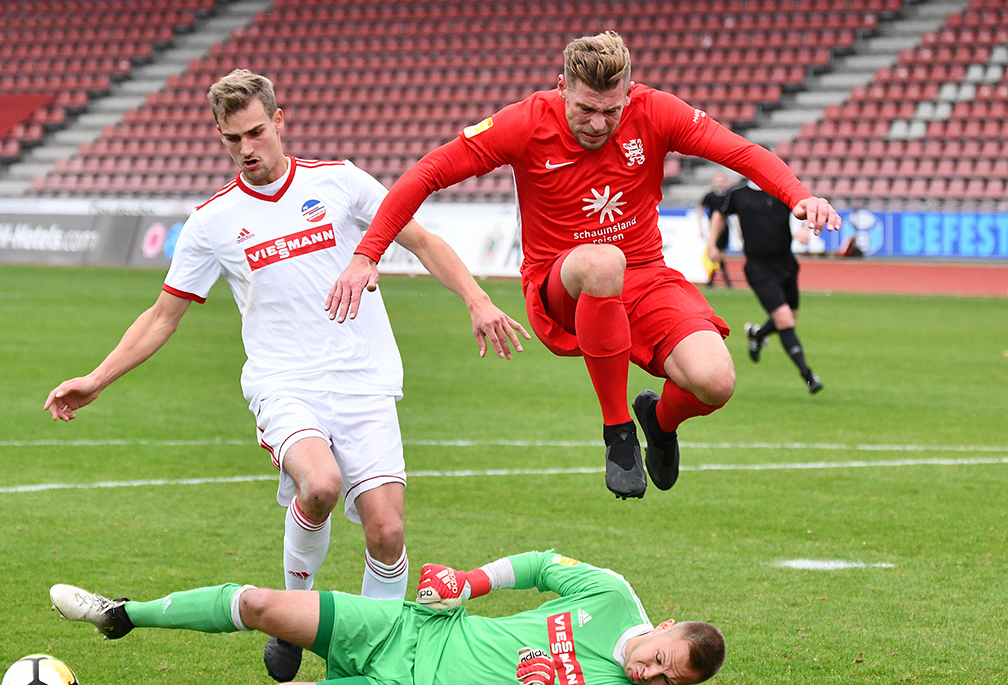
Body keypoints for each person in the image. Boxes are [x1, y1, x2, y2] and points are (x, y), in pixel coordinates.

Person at [43, 69, 528, 683]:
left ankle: (367, 663)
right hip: (285, 382)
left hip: (364, 380)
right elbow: (163, 315)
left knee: (387, 528)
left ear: (278, 121)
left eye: (253, 132)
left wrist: (477, 300)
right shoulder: (212, 222)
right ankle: (294, 611)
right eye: (230, 139)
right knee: (319, 485)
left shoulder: (341, 183)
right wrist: (97, 378)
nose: (246, 149)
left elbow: (424, 242)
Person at [327, 31, 839, 500]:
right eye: (586, 109)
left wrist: (798, 194)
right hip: (562, 285)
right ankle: (618, 432)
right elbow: (428, 172)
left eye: (611, 111)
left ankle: (658, 424)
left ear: (629, 93)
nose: (598, 124)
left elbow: (740, 152)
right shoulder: (524, 123)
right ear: (562, 88)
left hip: (646, 275)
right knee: (601, 261)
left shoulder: (656, 111)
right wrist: (367, 253)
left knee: (715, 381)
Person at [48, 549, 726, 685]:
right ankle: (123, 614)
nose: (649, 676)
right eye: (660, 660)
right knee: (257, 602)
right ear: (664, 625)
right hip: (413, 627)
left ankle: (303, 656)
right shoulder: (611, 594)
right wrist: (470, 581)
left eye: (667, 683)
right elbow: (543, 564)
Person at [708, 179, 822, 394]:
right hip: (758, 267)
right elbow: (719, 214)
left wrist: (806, 228)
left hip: (786, 263)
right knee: (785, 320)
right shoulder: (738, 193)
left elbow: (806, 206)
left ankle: (758, 335)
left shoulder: (782, 189)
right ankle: (808, 376)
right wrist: (712, 243)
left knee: (790, 319)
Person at [699, 172, 734, 288]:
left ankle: (713, 280)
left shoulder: (728, 195)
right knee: (716, 253)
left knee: (720, 253)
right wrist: (701, 226)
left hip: (725, 227)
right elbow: (700, 209)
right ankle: (725, 280)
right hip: (713, 228)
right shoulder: (709, 196)